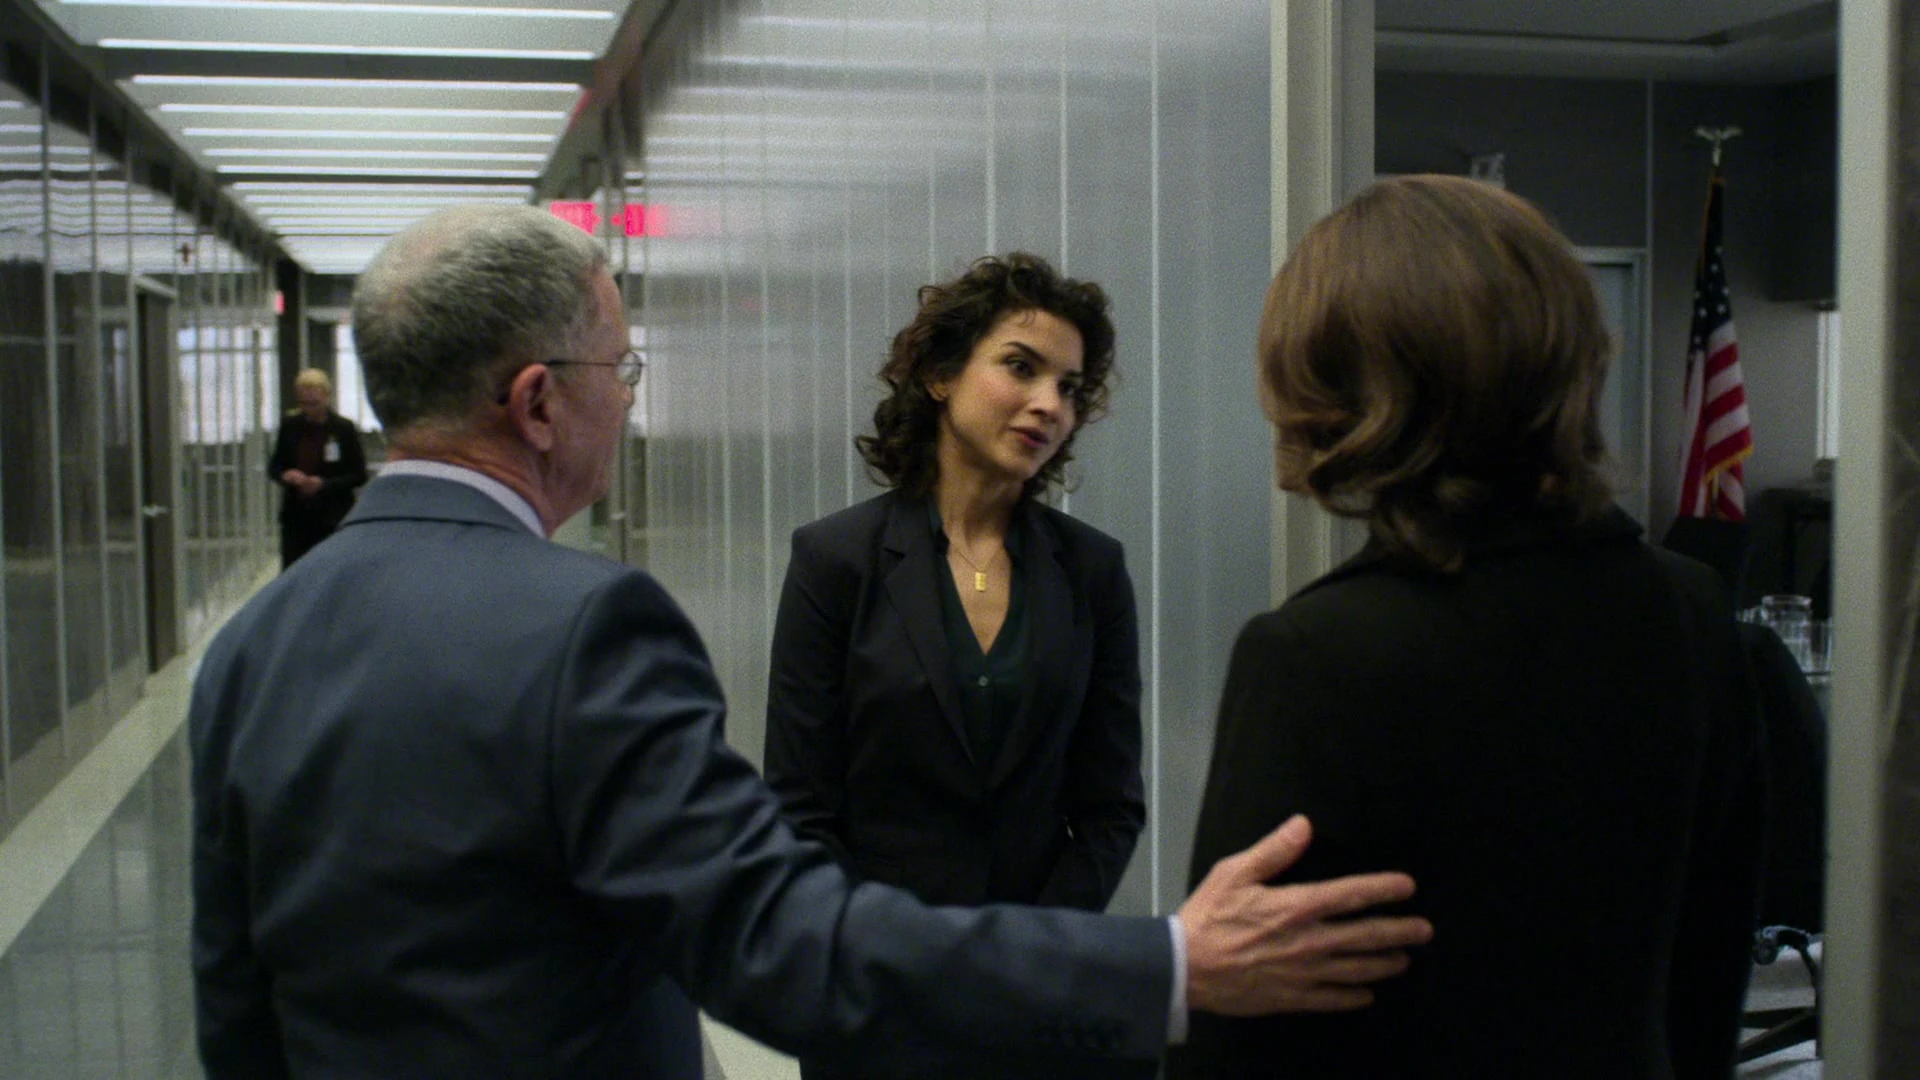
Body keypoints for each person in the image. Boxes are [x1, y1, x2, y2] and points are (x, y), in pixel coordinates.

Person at [188, 204, 1435, 1080]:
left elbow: (235, 1001)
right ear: (537, 401)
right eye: (622, 368)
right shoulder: (587, 623)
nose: (629, 398)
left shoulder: (253, 643)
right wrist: (1161, 967)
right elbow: (772, 931)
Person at [1166, 176, 1765, 1079]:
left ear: (1334, 378)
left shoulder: (1317, 654)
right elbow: (1712, 966)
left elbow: (1242, 1017)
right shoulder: (1694, 611)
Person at [763, 256, 1142, 1069]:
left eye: (1070, 388)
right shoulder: (836, 560)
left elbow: (1111, 806)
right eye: (1021, 367)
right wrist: (885, 956)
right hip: (875, 994)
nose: (1050, 404)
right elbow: (801, 806)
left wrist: (1033, 953)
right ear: (940, 375)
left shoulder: (1092, 570)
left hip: (1037, 1000)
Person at [266, 367, 368, 568]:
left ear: (326, 397)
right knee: (295, 573)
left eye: (314, 403)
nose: (309, 410)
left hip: (332, 518)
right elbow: (275, 466)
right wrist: (286, 475)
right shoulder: (290, 426)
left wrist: (323, 484)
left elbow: (359, 474)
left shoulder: (343, 429)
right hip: (296, 520)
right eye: (304, 404)